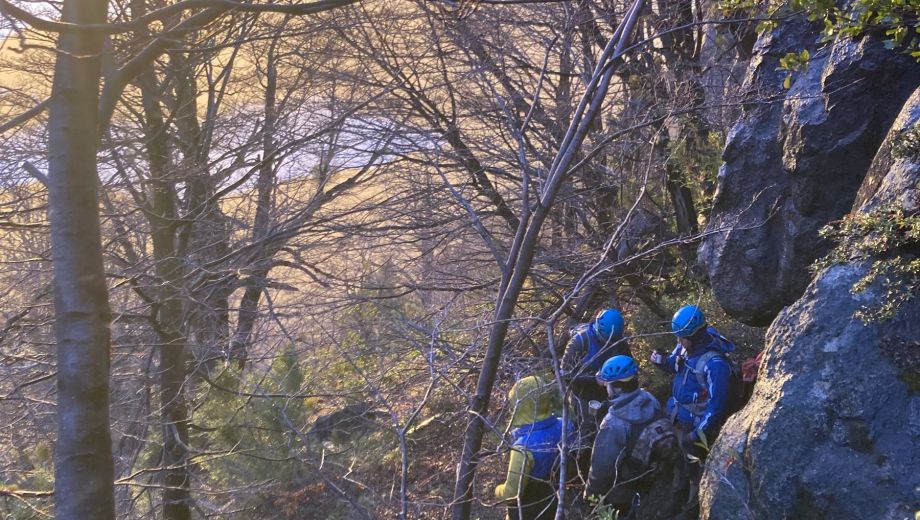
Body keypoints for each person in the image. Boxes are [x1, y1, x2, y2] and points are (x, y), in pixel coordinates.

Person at [585, 355, 688, 519]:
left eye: (608, 384)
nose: (606, 387)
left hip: (623, 489)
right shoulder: (649, 398)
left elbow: (602, 468)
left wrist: (591, 494)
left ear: (617, 388)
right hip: (651, 476)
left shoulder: (613, 424)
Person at [650, 305, 734, 460]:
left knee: (689, 471)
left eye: (682, 337)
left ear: (695, 336)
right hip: (674, 414)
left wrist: (696, 435)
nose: (678, 341)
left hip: (691, 427)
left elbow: (717, 408)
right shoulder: (686, 345)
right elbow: (674, 365)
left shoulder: (715, 365)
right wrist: (660, 361)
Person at [495, 374, 576, 520]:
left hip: (527, 511)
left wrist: (498, 490)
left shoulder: (522, 448)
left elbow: (512, 494)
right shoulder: (566, 425)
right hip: (555, 501)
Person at [561, 308, 631, 460]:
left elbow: (628, 364)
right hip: (583, 396)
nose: (608, 344)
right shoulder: (580, 341)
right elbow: (565, 374)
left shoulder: (619, 341)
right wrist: (594, 379)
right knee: (585, 433)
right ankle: (582, 462)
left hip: (610, 395)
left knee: (608, 431)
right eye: (605, 341)